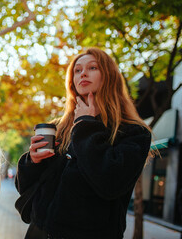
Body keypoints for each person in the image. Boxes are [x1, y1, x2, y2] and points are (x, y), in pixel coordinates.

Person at [15, 48, 152, 239]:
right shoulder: (58, 128)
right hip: (39, 232)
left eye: (92, 67)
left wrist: (86, 126)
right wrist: (32, 161)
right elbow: (26, 187)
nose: (83, 73)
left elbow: (110, 182)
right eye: (77, 70)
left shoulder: (134, 132)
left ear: (109, 76)